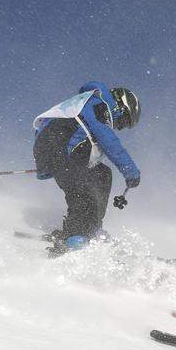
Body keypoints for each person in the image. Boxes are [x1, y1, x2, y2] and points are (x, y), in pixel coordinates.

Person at [32, 81, 141, 257]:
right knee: (83, 192)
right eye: (122, 121)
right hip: (61, 146)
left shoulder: (85, 102)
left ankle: (90, 229)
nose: (118, 126)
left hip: (56, 146)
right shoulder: (100, 104)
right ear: (120, 105)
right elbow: (108, 141)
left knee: (101, 174)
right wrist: (131, 172)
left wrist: (47, 163)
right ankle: (76, 239)